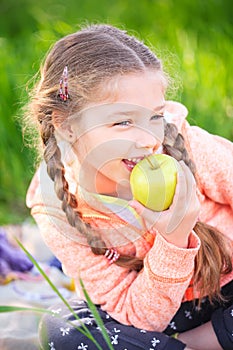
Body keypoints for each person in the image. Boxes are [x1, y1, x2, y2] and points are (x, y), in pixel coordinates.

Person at [24, 23, 233, 350]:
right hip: (159, 306)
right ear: (65, 125)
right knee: (61, 328)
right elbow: (139, 317)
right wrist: (173, 240)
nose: (149, 140)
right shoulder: (57, 207)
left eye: (154, 117)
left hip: (227, 285)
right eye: (122, 122)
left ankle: (193, 343)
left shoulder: (187, 145)